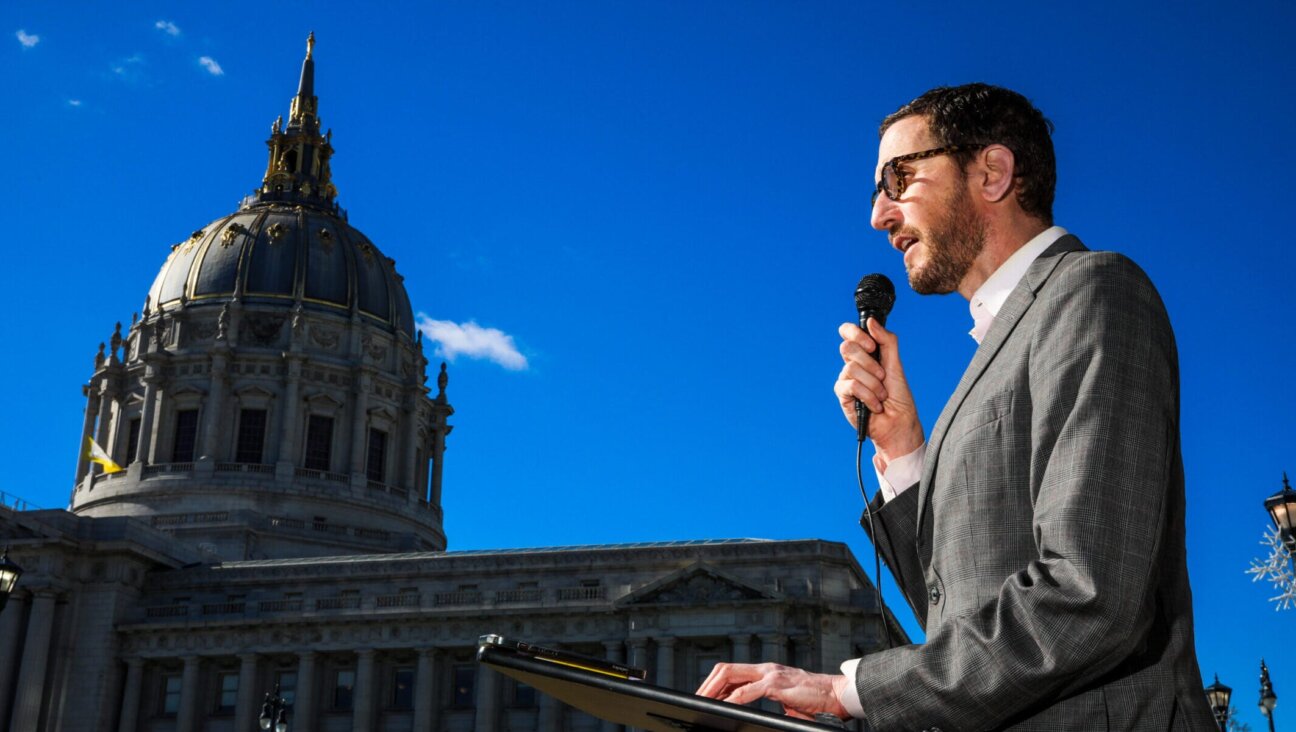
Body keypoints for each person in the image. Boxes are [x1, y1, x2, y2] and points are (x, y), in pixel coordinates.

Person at [696, 84, 1216, 731]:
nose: (879, 215)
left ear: (991, 172)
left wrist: (847, 689)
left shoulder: (1091, 292)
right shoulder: (987, 359)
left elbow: (1089, 597)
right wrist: (905, 452)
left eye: (899, 178)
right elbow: (958, 618)